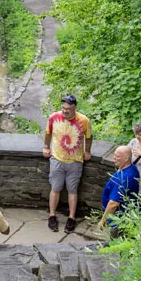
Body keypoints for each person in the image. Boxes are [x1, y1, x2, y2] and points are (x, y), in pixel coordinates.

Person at [42, 93, 92, 233]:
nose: (65, 111)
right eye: (63, 108)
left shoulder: (84, 120)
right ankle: (52, 215)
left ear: (74, 108)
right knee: (55, 188)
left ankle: (71, 217)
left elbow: (88, 137)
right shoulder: (53, 117)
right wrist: (46, 147)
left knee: (72, 190)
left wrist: (87, 151)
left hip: (75, 161)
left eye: (68, 109)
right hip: (57, 158)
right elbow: (48, 133)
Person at [98, 145, 141, 231]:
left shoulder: (124, 177)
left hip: (119, 220)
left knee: (116, 241)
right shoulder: (131, 168)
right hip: (124, 216)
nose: (114, 158)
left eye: (117, 156)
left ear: (126, 158)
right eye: (114, 155)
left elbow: (113, 204)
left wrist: (103, 221)